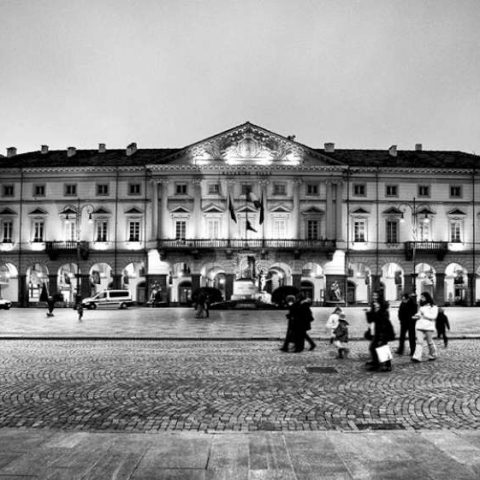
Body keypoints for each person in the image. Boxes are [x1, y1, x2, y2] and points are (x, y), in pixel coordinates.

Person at [365, 291, 395, 372]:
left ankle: (388, 365)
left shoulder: (384, 311)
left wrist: (377, 311)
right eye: (373, 295)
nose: (374, 297)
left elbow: (383, 321)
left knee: (383, 347)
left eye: (376, 295)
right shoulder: (374, 308)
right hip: (376, 330)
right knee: (373, 347)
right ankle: (376, 363)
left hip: (384, 331)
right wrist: (368, 313)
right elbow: (370, 320)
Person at [412, 291, 438, 363]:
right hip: (420, 325)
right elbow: (419, 314)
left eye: (423, 297)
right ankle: (417, 357)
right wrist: (416, 316)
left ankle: (433, 354)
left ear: (427, 297)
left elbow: (433, 316)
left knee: (429, 342)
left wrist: (424, 314)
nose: (421, 298)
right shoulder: (421, 306)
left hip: (428, 326)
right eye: (421, 297)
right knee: (419, 342)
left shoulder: (434, 307)